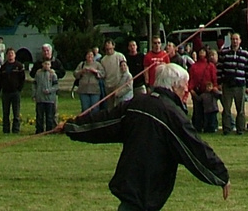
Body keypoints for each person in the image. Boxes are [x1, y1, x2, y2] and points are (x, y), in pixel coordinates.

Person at [66, 60, 229, 211]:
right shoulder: (172, 114)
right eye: (183, 86)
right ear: (173, 87)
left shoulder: (137, 102)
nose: (187, 91)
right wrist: (221, 175)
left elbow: (102, 121)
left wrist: (73, 126)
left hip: (134, 188)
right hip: (145, 192)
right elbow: (194, 147)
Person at [217, 33, 248, 136]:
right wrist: (219, 82)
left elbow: (247, 70)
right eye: (233, 39)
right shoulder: (224, 52)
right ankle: (227, 129)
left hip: (240, 84)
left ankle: (241, 129)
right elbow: (220, 68)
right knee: (226, 109)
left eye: (236, 39)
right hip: (227, 85)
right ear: (230, 40)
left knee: (241, 110)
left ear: (240, 41)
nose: (235, 41)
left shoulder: (245, 54)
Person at [187, 46, 219, 134]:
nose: (201, 53)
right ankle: (197, 127)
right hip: (197, 92)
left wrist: (213, 88)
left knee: (209, 111)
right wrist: (191, 90)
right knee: (197, 111)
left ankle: (209, 127)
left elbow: (214, 79)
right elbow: (191, 79)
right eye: (200, 51)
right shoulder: (194, 66)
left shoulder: (210, 66)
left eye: (203, 51)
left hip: (208, 92)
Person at [0, 46, 26, 134]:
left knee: (16, 112)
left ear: (15, 55)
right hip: (5, 93)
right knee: (6, 113)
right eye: (9, 54)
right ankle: (6, 129)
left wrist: (19, 89)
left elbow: (22, 79)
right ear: (6, 56)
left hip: (15, 92)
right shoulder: (3, 67)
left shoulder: (19, 66)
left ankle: (16, 129)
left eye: (12, 54)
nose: (10, 55)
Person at [101, 39, 134, 111]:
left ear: (113, 46)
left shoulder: (120, 56)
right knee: (110, 107)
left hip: (118, 85)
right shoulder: (103, 60)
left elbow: (125, 69)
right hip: (108, 85)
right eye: (107, 48)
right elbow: (103, 73)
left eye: (110, 47)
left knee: (119, 106)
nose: (108, 49)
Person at [35, 57, 60, 134]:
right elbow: (34, 84)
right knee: (39, 116)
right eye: (45, 64)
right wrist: (34, 94)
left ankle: (49, 130)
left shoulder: (53, 74)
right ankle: (39, 130)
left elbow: (56, 86)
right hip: (40, 98)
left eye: (48, 64)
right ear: (42, 64)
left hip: (50, 99)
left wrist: (49, 90)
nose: (46, 65)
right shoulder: (38, 74)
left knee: (49, 116)